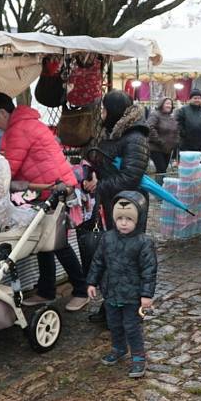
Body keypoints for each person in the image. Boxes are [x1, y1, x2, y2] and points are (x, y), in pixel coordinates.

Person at [0, 92, 89, 311]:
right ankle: (46, 291)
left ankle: (81, 290)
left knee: (58, 245)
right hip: (52, 187)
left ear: (3, 112)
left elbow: (9, 168)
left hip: (54, 189)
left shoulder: (18, 129)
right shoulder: (27, 122)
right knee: (44, 244)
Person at [82, 91, 150, 325]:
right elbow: (103, 161)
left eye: (104, 110)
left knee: (127, 262)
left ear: (115, 110)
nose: (102, 114)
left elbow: (131, 175)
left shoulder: (135, 137)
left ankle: (129, 314)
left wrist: (100, 185)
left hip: (129, 206)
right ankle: (111, 308)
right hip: (115, 203)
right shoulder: (114, 132)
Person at [87, 191, 157, 378]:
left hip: (133, 296)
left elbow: (149, 270)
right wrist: (92, 282)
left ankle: (138, 357)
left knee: (132, 327)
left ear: (138, 219)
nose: (123, 223)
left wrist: (146, 295)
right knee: (114, 324)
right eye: (120, 218)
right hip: (111, 292)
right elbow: (98, 262)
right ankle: (118, 348)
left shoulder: (144, 243)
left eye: (129, 219)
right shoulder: (107, 238)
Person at [147, 97, 179, 178]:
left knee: (163, 171)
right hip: (156, 148)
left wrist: (176, 142)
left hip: (168, 149)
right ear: (161, 104)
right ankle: (158, 189)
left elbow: (175, 130)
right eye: (167, 103)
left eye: (170, 104)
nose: (169, 105)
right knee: (161, 171)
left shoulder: (171, 117)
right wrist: (159, 141)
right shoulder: (155, 114)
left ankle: (161, 188)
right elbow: (149, 128)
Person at [175, 89, 201, 157]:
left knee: (198, 164)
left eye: (199, 98)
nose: (197, 100)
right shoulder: (183, 110)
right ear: (190, 99)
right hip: (186, 143)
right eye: (195, 98)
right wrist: (183, 133)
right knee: (187, 164)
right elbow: (177, 122)